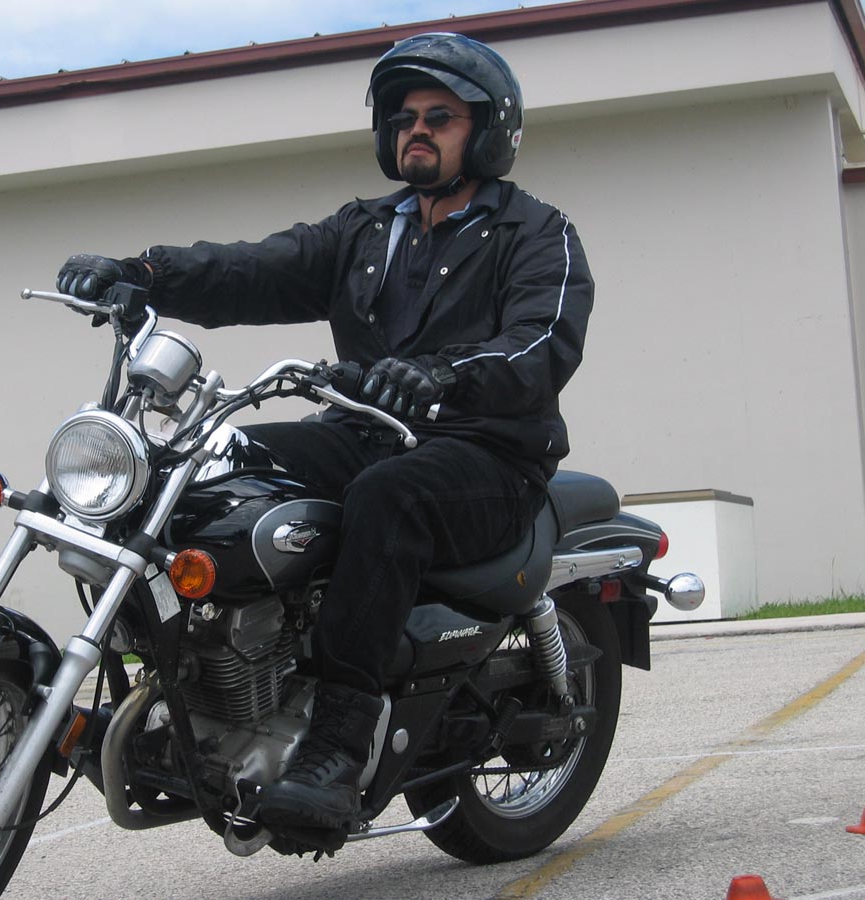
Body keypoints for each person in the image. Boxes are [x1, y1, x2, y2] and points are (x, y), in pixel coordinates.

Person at [56, 33, 594, 834]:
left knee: (389, 497)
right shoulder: (363, 231)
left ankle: (338, 744)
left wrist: (446, 374)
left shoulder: (536, 232)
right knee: (207, 462)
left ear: (489, 131)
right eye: (403, 117)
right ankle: (192, 687)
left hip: (487, 451)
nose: (416, 129)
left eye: (439, 116)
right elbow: (255, 268)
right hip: (368, 430)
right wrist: (143, 274)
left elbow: (540, 341)